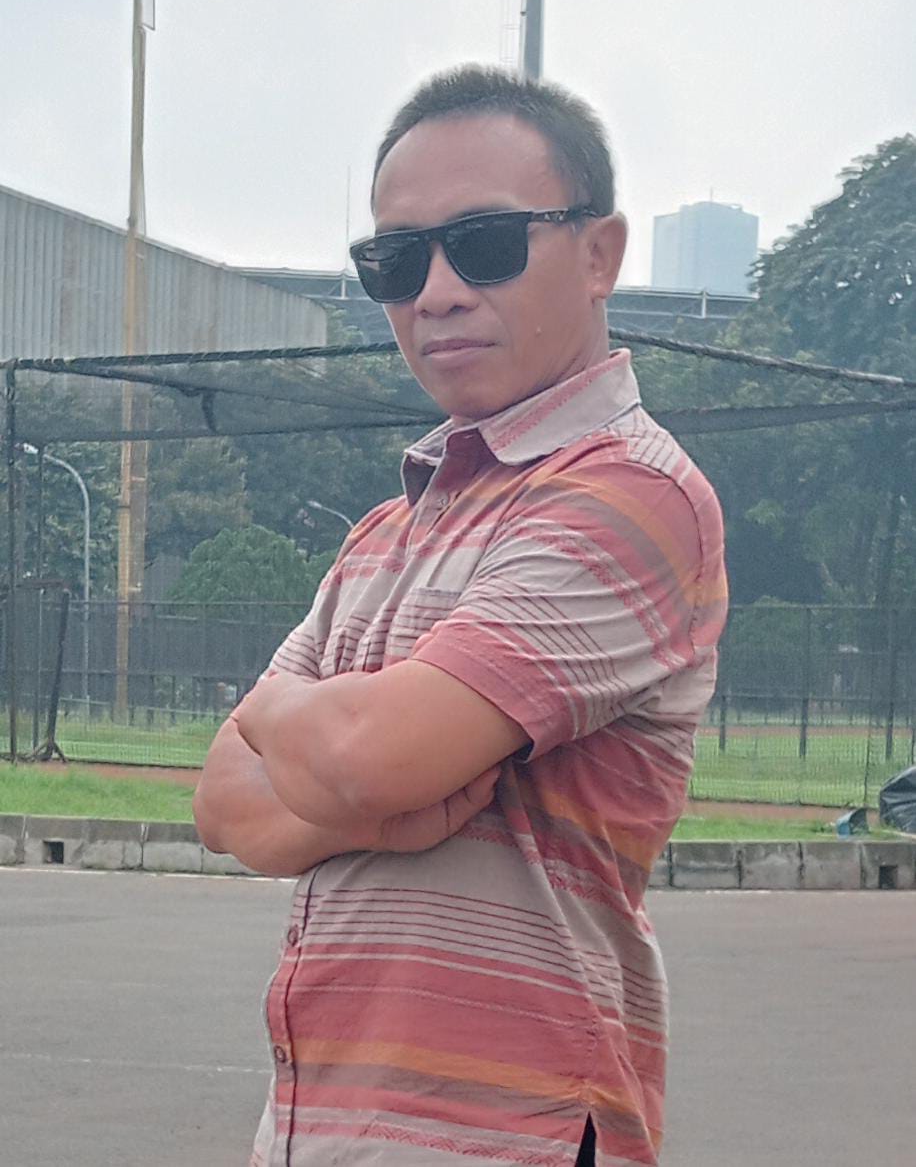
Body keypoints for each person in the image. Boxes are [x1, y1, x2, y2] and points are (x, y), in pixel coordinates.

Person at [193, 64, 728, 1167]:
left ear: (599, 255)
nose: (435, 292)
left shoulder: (630, 495)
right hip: (319, 1126)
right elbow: (225, 805)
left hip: (509, 1133)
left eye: (484, 243)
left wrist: (290, 720)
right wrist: (367, 807)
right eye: (396, 260)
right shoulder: (386, 531)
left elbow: (371, 754)